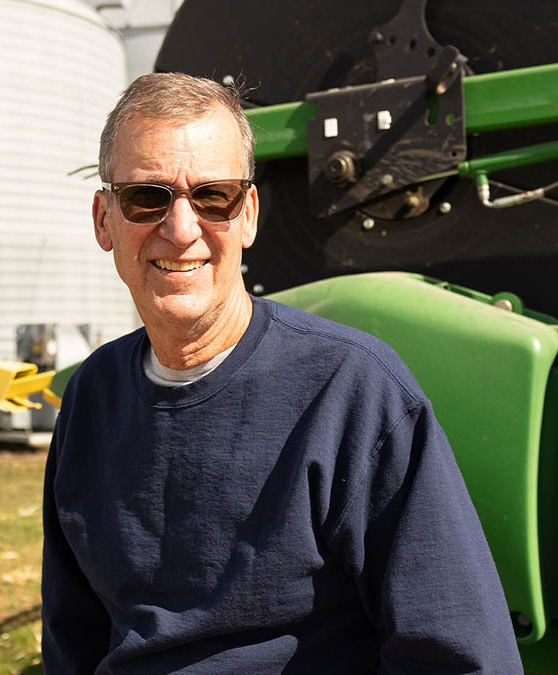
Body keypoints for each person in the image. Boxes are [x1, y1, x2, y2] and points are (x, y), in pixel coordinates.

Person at [40, 72, 522, 673]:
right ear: (104, 219)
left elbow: (460, 651)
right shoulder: (91, 398)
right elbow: (72, 639)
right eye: (147, 197)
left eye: (213, 196)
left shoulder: (351, 391)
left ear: (248, 216)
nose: (182, 228)